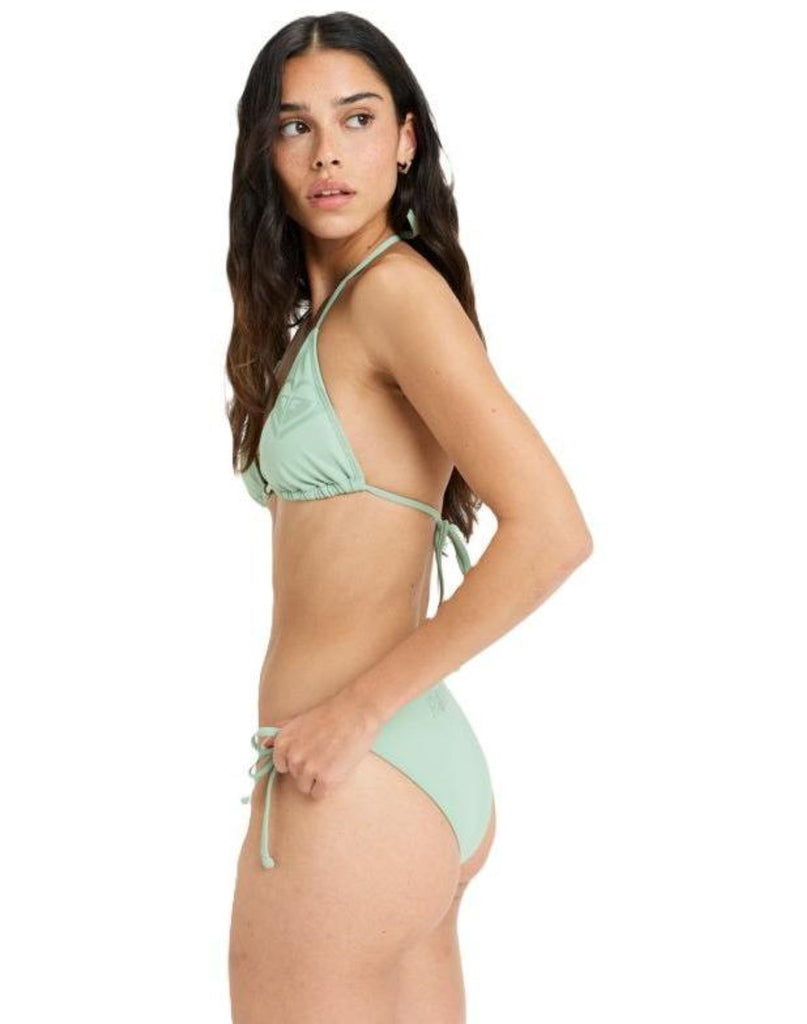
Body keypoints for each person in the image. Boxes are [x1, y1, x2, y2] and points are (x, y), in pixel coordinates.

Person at [224, 13, 593, 1022]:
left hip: (355, 773)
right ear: (265, 149)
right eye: (295, 125)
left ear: (405, 140)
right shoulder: (335, 311)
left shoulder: (393, 294)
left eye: (357, 118)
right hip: (394, 770)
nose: (327, 152)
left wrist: (354, 713)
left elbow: (552, 530)